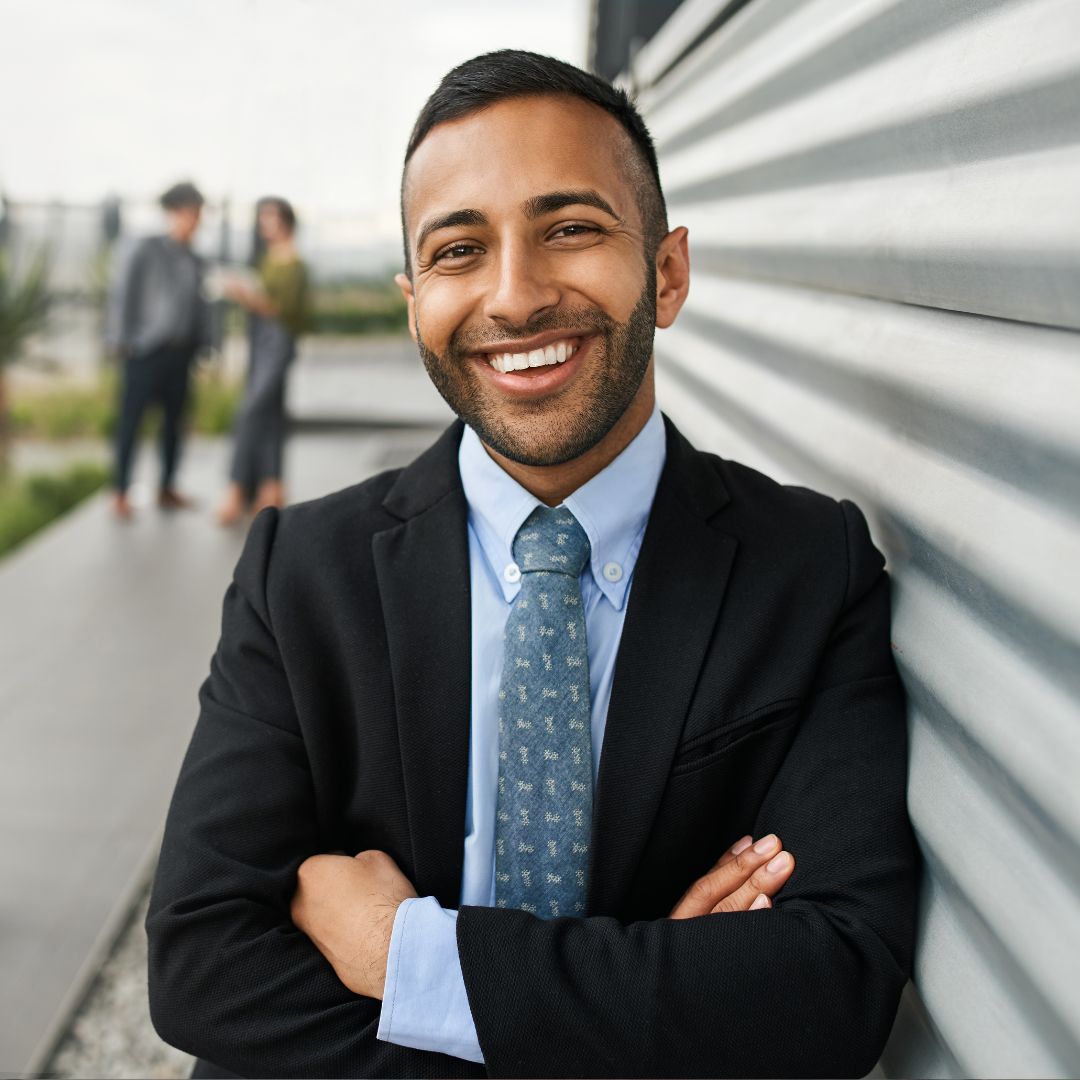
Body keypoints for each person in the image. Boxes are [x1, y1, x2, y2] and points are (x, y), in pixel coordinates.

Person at [147, 51, 917, 1079]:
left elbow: (833, 980)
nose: (515, 297)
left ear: (669, 271)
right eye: (460, 250)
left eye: (571, 229)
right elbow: (203, 962)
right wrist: (647, 1003)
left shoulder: (809, 568)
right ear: (414, 300)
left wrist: (407, 957)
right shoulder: (304, 573)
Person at [106, 181, 210, 519]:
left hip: (182, 354)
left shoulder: (196, 258)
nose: (197, 220)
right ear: (176, 212)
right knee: (131, 422)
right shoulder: (145, 248)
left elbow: (202, 306)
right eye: (193, 212)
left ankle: (166, 487)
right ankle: (120, 492)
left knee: (174, 423)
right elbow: (124, 295)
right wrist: (122, 342)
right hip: (145, 352)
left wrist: (206, 345)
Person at [215, 197, 310, 526]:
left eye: (270, 217)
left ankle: (236, 488)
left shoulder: (294, 262)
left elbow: (283, 311)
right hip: (259, 343)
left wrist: (245, 295)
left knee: (250, 412)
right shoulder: (269, 258)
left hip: (277, 344)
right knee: (269, 416)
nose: (264, 224)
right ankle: (271, 488)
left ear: (285, 220)